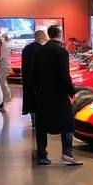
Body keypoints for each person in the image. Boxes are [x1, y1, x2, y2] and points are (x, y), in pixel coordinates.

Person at [29, 25, 81, 166]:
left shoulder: (39, 51)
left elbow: (33, 72)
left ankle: (41, 155)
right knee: (67, 122)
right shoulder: (61, 52)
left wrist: (35, 89)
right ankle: (67, 153)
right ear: (60, 34)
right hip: (59, 94)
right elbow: (65, 75)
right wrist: (71, 91)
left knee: (42, 124)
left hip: (43, 94)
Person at [22, 29, 47, 135]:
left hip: (28, 79)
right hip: (40, 79)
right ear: (42, 38)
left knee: (30, 100)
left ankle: (33, 121)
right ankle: (39, 122)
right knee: (39, 101)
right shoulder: (43, 50)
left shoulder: (26, 49)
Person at [0, 33, 13, 110]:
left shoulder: (3, 46)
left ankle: (6, 100)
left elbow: (1, 57)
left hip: (3, 64)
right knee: (3, 82)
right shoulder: (7, 45)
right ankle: (6, 100)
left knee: (2, 82)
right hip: (5, 64)